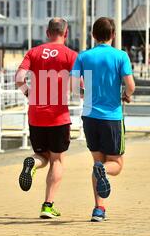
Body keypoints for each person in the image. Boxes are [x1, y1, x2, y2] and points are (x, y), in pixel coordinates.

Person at [70, 17, 135, 222]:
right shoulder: (120, 56)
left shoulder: (83, 56)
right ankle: (103, 171)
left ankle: (99, 209)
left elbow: (72, 86)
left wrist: (83, 92)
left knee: (96, 162)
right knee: (115, 163)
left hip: (90, 117)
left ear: (93, 35)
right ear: (113, 35)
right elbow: (130, 85)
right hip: (112, 117)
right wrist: (126, 94)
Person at [15, 18, 78, 219]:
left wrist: (28, 94)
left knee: (41, 155)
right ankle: (48, 205)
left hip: (36, 113)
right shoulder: (71, 55)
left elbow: (18, 78)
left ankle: (32, 163)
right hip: (58, 115)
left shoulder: (33, 52)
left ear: (47, 31)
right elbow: (79, 87)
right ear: (65, 33)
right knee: (57, 159)